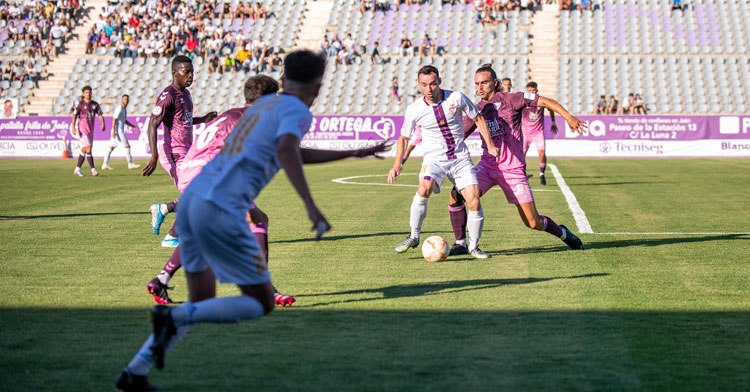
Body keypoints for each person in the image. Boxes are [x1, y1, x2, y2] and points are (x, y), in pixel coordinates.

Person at [116, 50, 387, 391]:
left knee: (200, 301)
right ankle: (180, 310)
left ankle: (135, 371)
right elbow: (286, 151)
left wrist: (351, 152)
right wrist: (308, 205)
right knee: (258, 301)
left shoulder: (243, 113)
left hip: (195, 195)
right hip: (216, 198)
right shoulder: (275, 114)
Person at [445, 64, 587, 256]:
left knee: (532, 222)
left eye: (485, 83)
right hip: (487, 167)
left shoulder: (512, 99)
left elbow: (545, 101)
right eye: (477, 84)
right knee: (456, 196)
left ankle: (563, 233)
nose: (480, 87)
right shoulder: (475, 109)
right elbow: (456, 136)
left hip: (513, 170)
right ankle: (461, 243)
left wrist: (568, 117)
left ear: (495, 83)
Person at [387, 65, 498, 259]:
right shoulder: (414, 109)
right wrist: (397, 164)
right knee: (424, 189)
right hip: (434, 159)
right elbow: (403, 138)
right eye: (424, 85)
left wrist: (489, 144)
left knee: (473, 200)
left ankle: (473, 247)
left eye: (432, 84)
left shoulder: (456, 98)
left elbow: (478, 118)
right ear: (419, 85)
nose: (429, 89)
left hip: (460, 158)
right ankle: (413, 235)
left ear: (439, 81)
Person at [142, 55, 218, 248]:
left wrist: (203, 119)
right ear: (175, 73)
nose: (191, 76)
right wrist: (154, 155)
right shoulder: (168, 95)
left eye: (192, 71)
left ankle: (165, 211)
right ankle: (171, 235)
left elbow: (182, 121)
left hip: (187, 151)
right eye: (187, 72)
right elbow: (152, 123)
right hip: (173, 152)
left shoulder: (185, 94)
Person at [522, 81, 557, 186]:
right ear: (527, 91)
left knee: (542, 153)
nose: (532, 92)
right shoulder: (523, 101)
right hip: (525, 132)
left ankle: (542, 174)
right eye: (530, 90)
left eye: (533, 90)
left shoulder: (541, 101)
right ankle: (522, 174)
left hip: (538, 132)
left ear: (536, 91)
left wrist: (553, 122)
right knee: (522, 153)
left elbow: (551, 108)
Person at [71, 86, 105, 177]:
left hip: (90, 129)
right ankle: (93, 169)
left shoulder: (95, 104)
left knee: (84, 150)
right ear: (83, 94)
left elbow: (100, 114)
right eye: (86, 92)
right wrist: (73, 127)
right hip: (82, 129)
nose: (88, 94)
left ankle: (77, 169)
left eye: (89, 92)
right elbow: (74, 115)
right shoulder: (80, 105)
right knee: (89, 148)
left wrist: (103, 123)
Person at [102, 94, 140, 170]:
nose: (126, 101)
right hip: (117, 131)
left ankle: (105, 164)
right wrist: (113, 131)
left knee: (111, 147)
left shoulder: (124, 110)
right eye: (125, 99)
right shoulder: (119, 109)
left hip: (119, 131)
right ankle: (130, 163)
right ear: (122, 100)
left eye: (127, 99)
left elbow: (124, 120)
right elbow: (114, 119)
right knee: (126, 146)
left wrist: (133, 126)